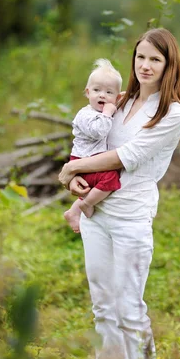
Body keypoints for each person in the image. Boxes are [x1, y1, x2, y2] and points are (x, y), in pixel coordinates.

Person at [59, 28, 180, 359]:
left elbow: (124, 157)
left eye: (156, 59)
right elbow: (90, 142)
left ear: (169, 65)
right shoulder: (119, 100)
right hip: (96, 213)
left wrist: (72, 169)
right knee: (102, 304)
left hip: (131, 216)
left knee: (129, 306)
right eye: (141, 57)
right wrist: (76, 180)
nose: (146, 65)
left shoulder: (172, 113)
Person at [64, 58, 122, 233]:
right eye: (97, 90)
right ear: (87, 92)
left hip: (91, 160)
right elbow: (99, 131)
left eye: (109, 92)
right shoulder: (86, 115)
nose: (102, 95)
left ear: (116, 97)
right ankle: (86, 204)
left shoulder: (102, 110)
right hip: (83, 161)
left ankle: (73, 211)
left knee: (105, 179)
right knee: (111, 178)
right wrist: (107, 113)